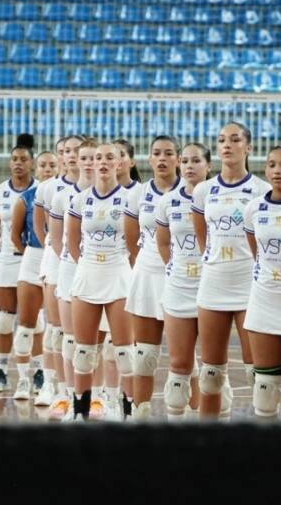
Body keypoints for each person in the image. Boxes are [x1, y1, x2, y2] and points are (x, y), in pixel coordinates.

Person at [192, 122, 270, 418]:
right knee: (210, 375)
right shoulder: (203, 190)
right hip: (214, 283)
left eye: (235, 139)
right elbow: (204, 238)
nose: (227, 145)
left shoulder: (262, 190)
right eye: (222, 140)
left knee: (259, 375)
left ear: (248, 147)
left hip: (250, 286)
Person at [65, 142, 137, 420]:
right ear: (92, 163)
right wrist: (90, 263)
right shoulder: (80, 200)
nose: (104, 162)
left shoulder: (131, 199)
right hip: (88, 274)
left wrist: (119, 266)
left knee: (124, 352)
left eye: (110, 157)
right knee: (83, 351)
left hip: (118, 274)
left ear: (120, 163)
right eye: (98, 158)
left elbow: (135, 244)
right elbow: (72, 243)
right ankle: (79, 412)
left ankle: (127, 412)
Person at [242, 146, 281, 417]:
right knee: (264, 390)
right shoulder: (254, 208)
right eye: (271, 164)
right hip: (264, 299)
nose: (277, 170)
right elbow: (257, 252)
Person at [155, 143, 213, 419]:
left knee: (214, 368)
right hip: (179, 288)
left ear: (208, 166)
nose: (189, 166)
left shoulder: (218, 198)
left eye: (196, 161)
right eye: (185, 161)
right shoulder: (168, 200)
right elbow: (164, 244)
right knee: (179, 364)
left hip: (214, 288)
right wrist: (178, 269)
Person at [123, 135, 179, 419]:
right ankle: (140, 416)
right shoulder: (137, 193)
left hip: (181, 280)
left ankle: (185, 418)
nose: (162, 158)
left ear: (177, 159)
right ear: (149, 159)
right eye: (156, 153)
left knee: (184, 361)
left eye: (168, 153)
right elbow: (132, 240)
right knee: (143, 357)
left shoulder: (193, 193)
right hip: (146, 276)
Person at [0, 136, 36, 393]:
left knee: (35, 322)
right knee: (5, 321)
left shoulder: (41, 191)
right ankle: (2, 371)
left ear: (32, 163)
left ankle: (37, 372)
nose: (18, 164)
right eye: (14, 159)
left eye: (23, 160)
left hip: (33, 261)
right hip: (7, 260)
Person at [48, 137, 92, 418]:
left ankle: (100, 399)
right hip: (70, 268)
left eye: (84, 153)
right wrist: (81, 262)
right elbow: (55, 240)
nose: (78, 158)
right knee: (69, 339)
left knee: (102, 343)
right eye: (73, 153)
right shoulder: (60, 194)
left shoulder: (119, 195)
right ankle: (67, 397)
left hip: (104, 272)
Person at [9, 149, 58, 400]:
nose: (47, 169)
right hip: (33, 256)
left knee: (55, 326)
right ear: (36, 169)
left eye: (52, 165)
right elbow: (15, 235)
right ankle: (23, 380)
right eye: (43, 165)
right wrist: (31, 255)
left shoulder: (68, 194)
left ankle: (49, 380)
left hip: (58, 258)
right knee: (26, 324)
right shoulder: (26, 198)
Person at [32, 137, 70, 407]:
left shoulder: (95, 187)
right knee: (55, 328)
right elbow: (40, 228)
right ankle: (50, 384)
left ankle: (82, 390)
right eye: (65, 152)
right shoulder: (48, 188)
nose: (70, 156)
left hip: (89, 262)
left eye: (74, 151)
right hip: (57, 259)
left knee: (80, 335)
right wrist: (57, 251)